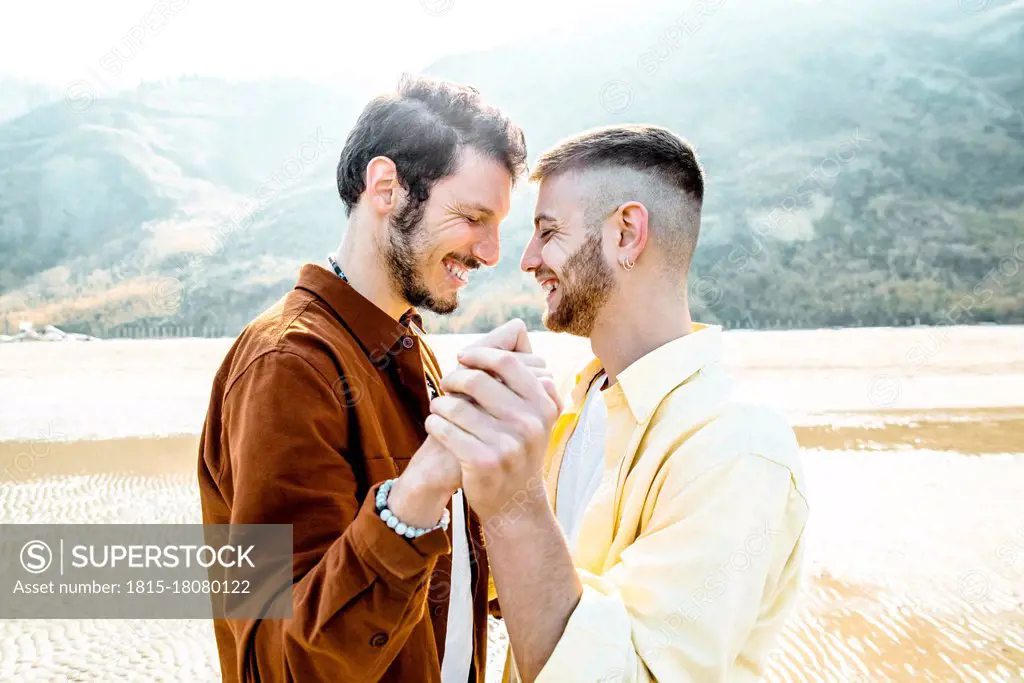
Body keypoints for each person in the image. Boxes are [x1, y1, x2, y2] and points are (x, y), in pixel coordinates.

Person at [196, 74, 559, 683]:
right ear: (386, 187)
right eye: (472, 217)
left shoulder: (411, 348)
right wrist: (420, 490)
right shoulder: (287, 366)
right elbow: (281, 665)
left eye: (498, 224)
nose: (493, 252)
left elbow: (452, 587)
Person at [425, 125, 810, 682]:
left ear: (626, 233)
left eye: (548, 232)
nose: (527, 259)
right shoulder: (579, 408)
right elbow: (526, 596)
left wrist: (517, 498)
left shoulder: (736, 449)